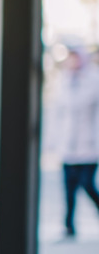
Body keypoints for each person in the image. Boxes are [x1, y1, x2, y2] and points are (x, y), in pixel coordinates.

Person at [49, 49, 99, 238]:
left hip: (89, 144)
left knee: (87, 184)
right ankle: (69, 225)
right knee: (69, 188)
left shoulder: (94, 80)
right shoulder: (63, 82)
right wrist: (53, 141)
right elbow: (57, 113)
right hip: (68, 144)